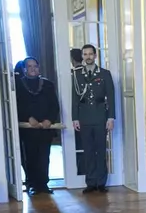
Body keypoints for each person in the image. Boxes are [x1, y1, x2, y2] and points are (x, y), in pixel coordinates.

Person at [71, 44, 115, 193]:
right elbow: (75, 98)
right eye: (85, 54)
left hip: (100, 115)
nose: (88, 57)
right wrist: (75, 118)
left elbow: (111, 97)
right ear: (82, 56)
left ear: (95, 56)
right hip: (84, 117)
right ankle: (90, 182)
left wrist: (111, 118)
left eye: (90, 54)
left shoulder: (104, 74)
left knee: (100, 150)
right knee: (88, 151)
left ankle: (101, 182)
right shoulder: (77, 75)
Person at [15, 57, 60, 195]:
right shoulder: (19, 85)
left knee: (44, 157)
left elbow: (54, 105)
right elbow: (17, 105)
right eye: (29, 66)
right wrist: (28, 118)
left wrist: (49, 120)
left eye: (35, 66)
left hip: (45, 128)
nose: (33, 69)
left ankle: (43, 185)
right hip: (28, 128)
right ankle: (32, 184)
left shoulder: (47, 84)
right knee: (30, 157)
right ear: (24, 69)